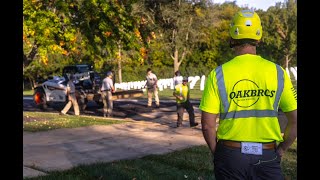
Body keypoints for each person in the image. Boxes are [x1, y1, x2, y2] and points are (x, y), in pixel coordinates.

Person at [199, 9, 297, 180]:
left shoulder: (218, 74)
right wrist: (281, 149)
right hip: (267, 155)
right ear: (259, 38)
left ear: (232, 36)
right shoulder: (279, 73)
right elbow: (295, 119)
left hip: (230, 154)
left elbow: (207, 125)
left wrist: (218, 153)